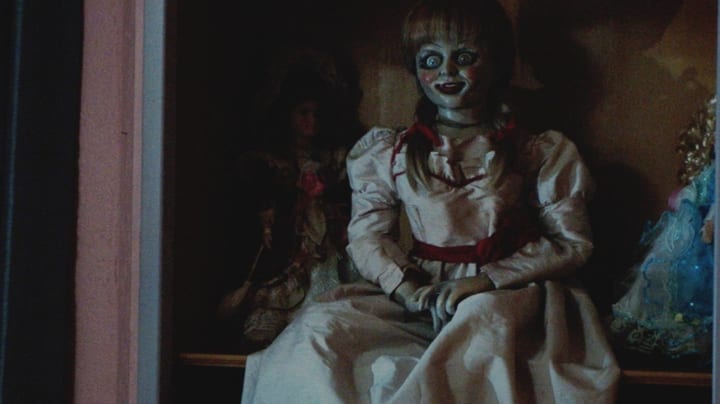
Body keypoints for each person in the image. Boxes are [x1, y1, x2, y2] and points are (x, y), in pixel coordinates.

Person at [242, 0, 620, 402]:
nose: (446, 71)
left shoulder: (535, 152)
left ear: (496, 63)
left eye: (464, 57)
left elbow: (570, 243)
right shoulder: (391, 151)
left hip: (509, 293)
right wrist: (406, 287)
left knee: (480, 323)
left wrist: (486, 281)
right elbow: (369, 236)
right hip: (423, 293)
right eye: (430, 60)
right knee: (321, 327)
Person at [218, 69, 357, 348]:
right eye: (303, 113)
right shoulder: (269, 159)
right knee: (281, 278)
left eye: (317, 114)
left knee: (325, 275)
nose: (311, 121)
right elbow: (263, 198)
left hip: (322, 230)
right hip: (289, 233)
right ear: (287, 116)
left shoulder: (331, 157)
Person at [610, 97, 715, 368]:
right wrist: (691, 203)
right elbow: (697, 192)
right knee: (669, 274)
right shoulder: (711, 173)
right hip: (699, 238)